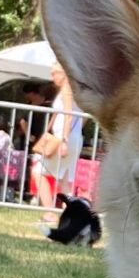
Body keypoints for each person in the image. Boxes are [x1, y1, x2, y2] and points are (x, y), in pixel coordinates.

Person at [35, 62, 84, 223]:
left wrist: (64, 140)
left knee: (38, 172)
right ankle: (70, 217)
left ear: (63, 73)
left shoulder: (67, 89)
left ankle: (50, 213)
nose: (52, 77)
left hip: (64, 139)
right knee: (65, 180)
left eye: (54, 73)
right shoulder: (73, 90)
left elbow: (68, 115)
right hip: (73, 137)